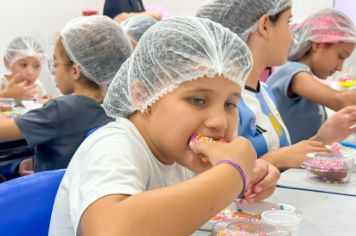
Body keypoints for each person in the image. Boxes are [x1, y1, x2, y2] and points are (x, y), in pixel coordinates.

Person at [49, 16, 280, 235]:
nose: (219, 122)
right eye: (197, 100)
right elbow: (110, 230)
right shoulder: (112, 146)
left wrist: (245, 179)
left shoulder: (178, 152)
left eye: (230, 104)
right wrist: (232, 172)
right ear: (143, 95)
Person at [197, 0, 356, 169]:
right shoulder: (224, 102)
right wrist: (274, 160)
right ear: (265, 25)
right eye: (287, 22)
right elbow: (214, 177)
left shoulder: (264, 92)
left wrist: (321, 139)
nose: (293, 35)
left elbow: (286, 155)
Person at [0, 15, 133, 173]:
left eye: (55, 64)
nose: (53, 71)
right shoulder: (112, 107)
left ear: (75, 71)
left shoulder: (60, 109)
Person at [267, 9, 356, 143]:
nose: (340, 67)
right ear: (317, 44)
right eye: (340, 56)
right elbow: (340, 101)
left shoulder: (305, 78)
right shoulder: (291, 71)